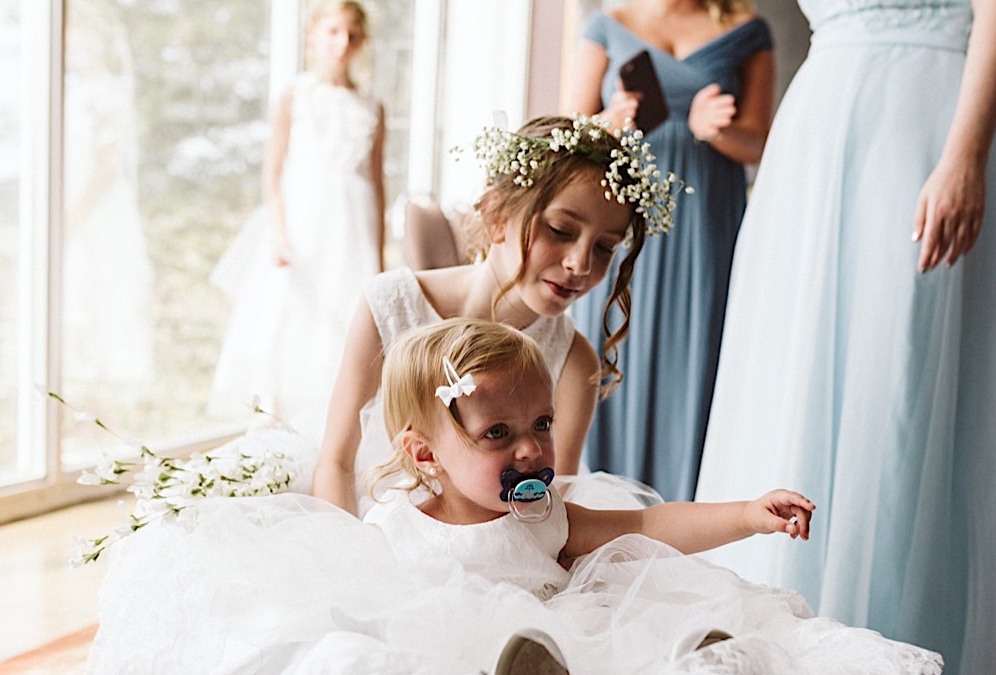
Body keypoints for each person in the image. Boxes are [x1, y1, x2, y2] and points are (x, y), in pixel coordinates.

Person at [67, 318, 945, 675]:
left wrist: (748, 513)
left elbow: (653, 528)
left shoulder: (550, 519)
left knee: (655, 612)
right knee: (416, 667)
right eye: (498, 433)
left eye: (539, 426)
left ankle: (701, 658)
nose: (530, 451)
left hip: (584, 624)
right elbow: (361, 602)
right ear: (423, 456)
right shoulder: (398, 526)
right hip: (467, 642)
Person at [693, 0, 996, 675]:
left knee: (903, 398)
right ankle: (790, 672)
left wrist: (965, 153)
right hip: (825, 125)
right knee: (799, 380)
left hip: (932, 119)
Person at [311, 114, 683, 515]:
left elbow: (543, 506)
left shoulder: (573, 362)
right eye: (560, 230)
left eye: (605, 248)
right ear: (496, 216)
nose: (580, 263)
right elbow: (336, 463)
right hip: (367, 521)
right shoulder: (388, 304)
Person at [565, 0, 775, 501]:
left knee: (699, 357)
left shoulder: (748, 32)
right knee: (609, 353)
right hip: (621, 225)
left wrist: (717, 131)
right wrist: (608, 124)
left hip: (706, 228)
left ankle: (684, 510)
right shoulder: (607, 25)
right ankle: (600, 506)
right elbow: (566, 133)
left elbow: (764, 143)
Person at [207, 0, 385, 419]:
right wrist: (280, 234)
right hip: (305, 224)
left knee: (346, 327)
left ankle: (331, 421)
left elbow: (377, 183)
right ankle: (280, 419)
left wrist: (378, 254)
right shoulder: (295, 95)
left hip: (353, 230)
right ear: (312, 33)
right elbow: (273, 173)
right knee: (291, 322)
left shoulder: (373, 105)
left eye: (352, 35)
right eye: (334, 32)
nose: (342, 43)